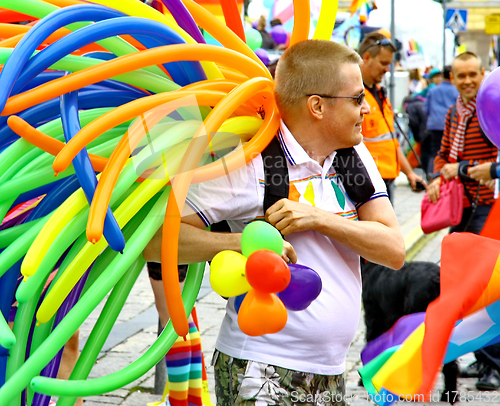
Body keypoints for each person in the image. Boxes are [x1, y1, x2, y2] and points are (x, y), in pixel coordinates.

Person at [144, 40, 405, 406]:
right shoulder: (251, 164)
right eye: (356, 98)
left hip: (331, 371)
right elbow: (156, 241)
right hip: (261, 370)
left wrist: (318, 219)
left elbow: (394, 251)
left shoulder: (353, 156)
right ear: (317, 106)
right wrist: (247, 243)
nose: (366, 109)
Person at [426, 52, 499, 390]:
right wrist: (440, 174)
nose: (468, 81)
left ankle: (494, 365)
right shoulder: (456, 111)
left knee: (484, 287)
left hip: (487, 207)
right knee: (462, 286)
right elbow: (444, 155)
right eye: (461, 76)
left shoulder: (491, 106)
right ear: (451, 78)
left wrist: (463, 169)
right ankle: (481, 356)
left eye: (473, 74)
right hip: (463, 208)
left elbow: (493, 160)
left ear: (483, 73)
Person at [358, 32, 426, 201]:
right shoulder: (353, 95)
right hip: (366, 182)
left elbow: (391, 140)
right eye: (383, 63)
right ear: (366, 58)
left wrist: (410, 173)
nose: (387, 69)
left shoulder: (380, 94)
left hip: (386, 179)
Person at [423, 66, 458, 177]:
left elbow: (425, 109)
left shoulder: (433, 90)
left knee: (434, 152)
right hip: (451, 126)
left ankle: (432, 174)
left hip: (434, 125)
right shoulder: (456, 91)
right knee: (449, 152)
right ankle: (446, 176)